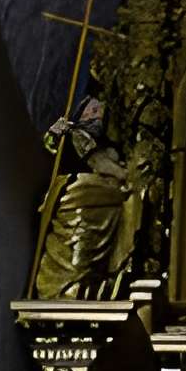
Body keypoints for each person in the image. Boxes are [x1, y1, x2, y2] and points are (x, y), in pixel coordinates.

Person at [32, 97, 131, 297]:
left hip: (105, 203)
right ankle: (64, 287)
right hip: (79, 199)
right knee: (76, 246)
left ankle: (93, 282)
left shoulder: (105, 143)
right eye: (92, 110)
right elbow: (97, 162)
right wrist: (126, 176)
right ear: (81, 113)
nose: (98, 116)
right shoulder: (76, 135)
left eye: (101, 112)